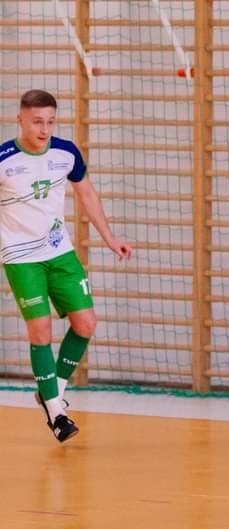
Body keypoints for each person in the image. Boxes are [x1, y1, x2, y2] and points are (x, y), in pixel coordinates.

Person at [0, 90, 131, 442]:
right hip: (22, 259)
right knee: (41, 331)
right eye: (37, 122)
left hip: (60, 253)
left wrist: (109, 237)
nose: (45, 129)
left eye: (50, 122)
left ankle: (51, 391)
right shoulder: (4, 158)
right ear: (20, 120)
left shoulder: (65, 152)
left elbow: (86, 194)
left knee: (86, 324)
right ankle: (57, 413)